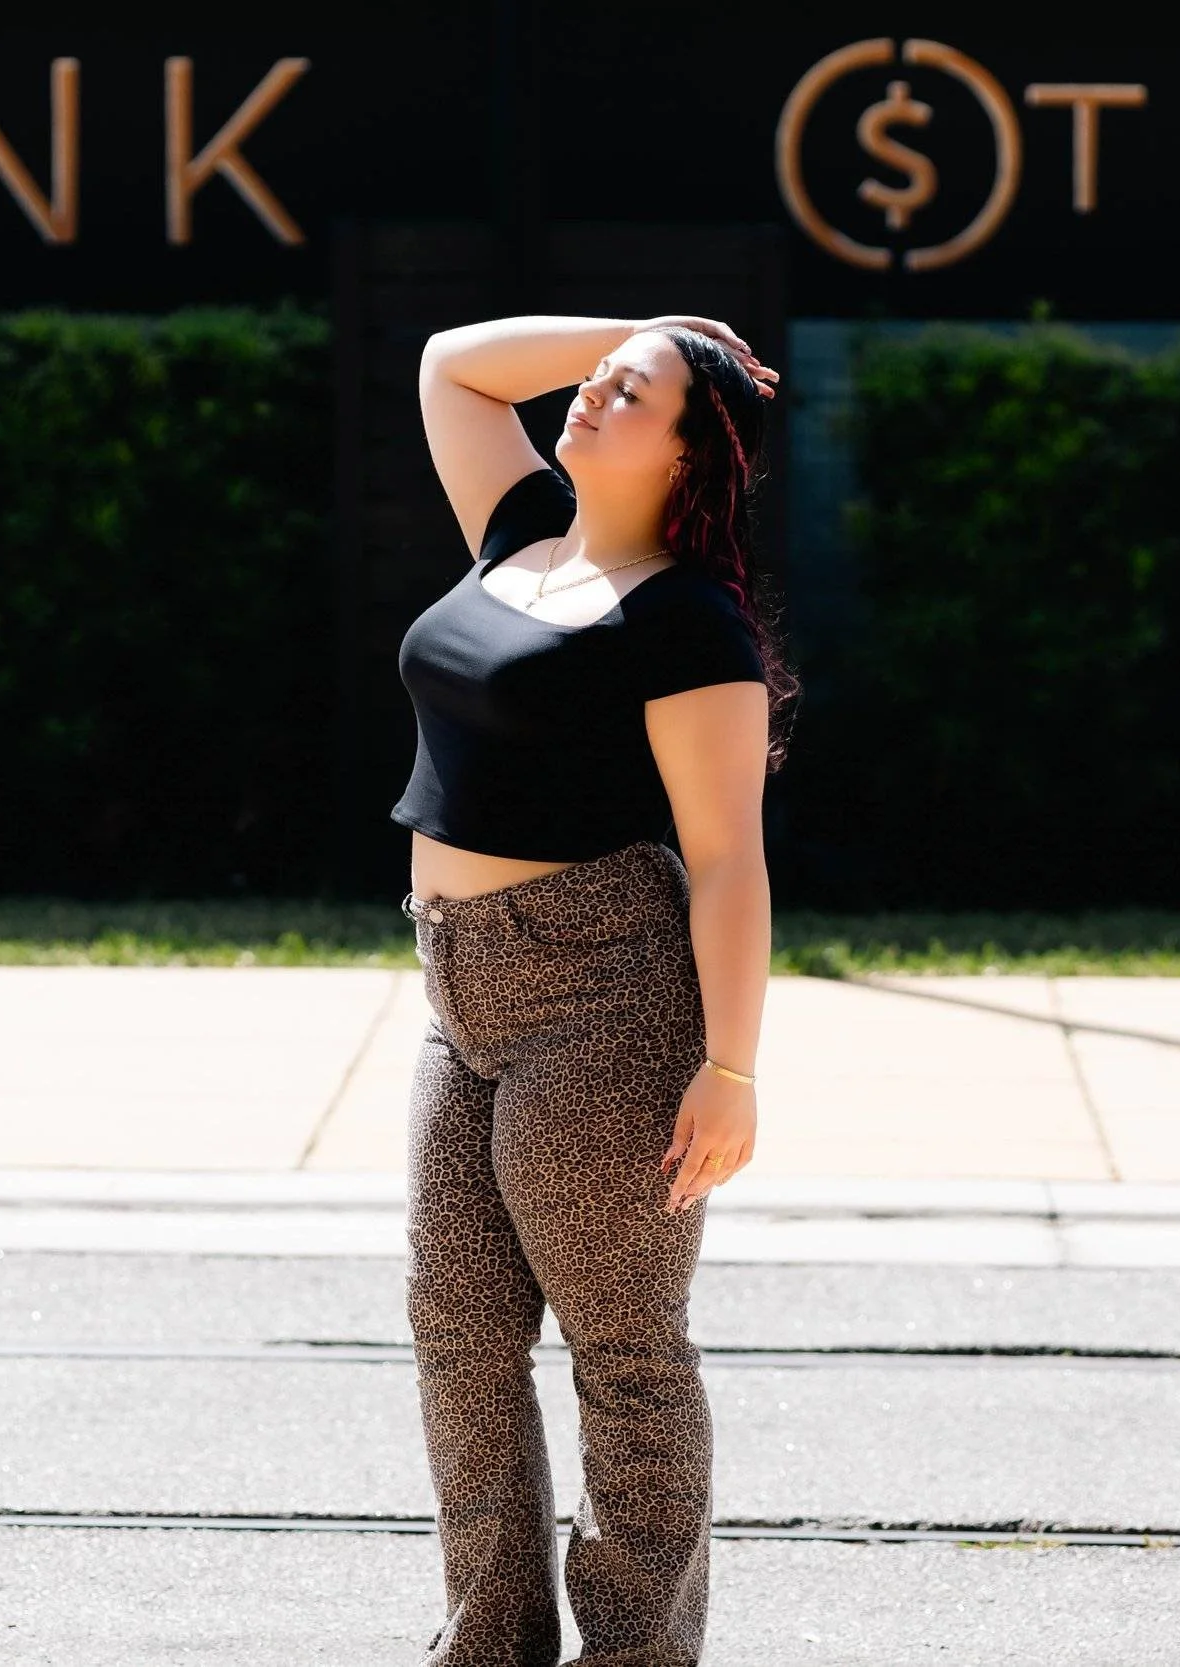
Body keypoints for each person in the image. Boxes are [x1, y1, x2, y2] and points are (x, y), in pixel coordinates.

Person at [389, 312, 796, 1666]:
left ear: (688, 454)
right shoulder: (520, 534)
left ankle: (637, 1653)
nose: (591, 394)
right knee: (457, 1328)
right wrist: (638, 328)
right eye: (600, 379)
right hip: (459, 991)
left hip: (605, 993)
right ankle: (489, 1641)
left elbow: (730, 860)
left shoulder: (688, 622)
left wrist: (729, 1066)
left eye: (633, 393)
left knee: (623, 1348)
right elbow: (454, 360)